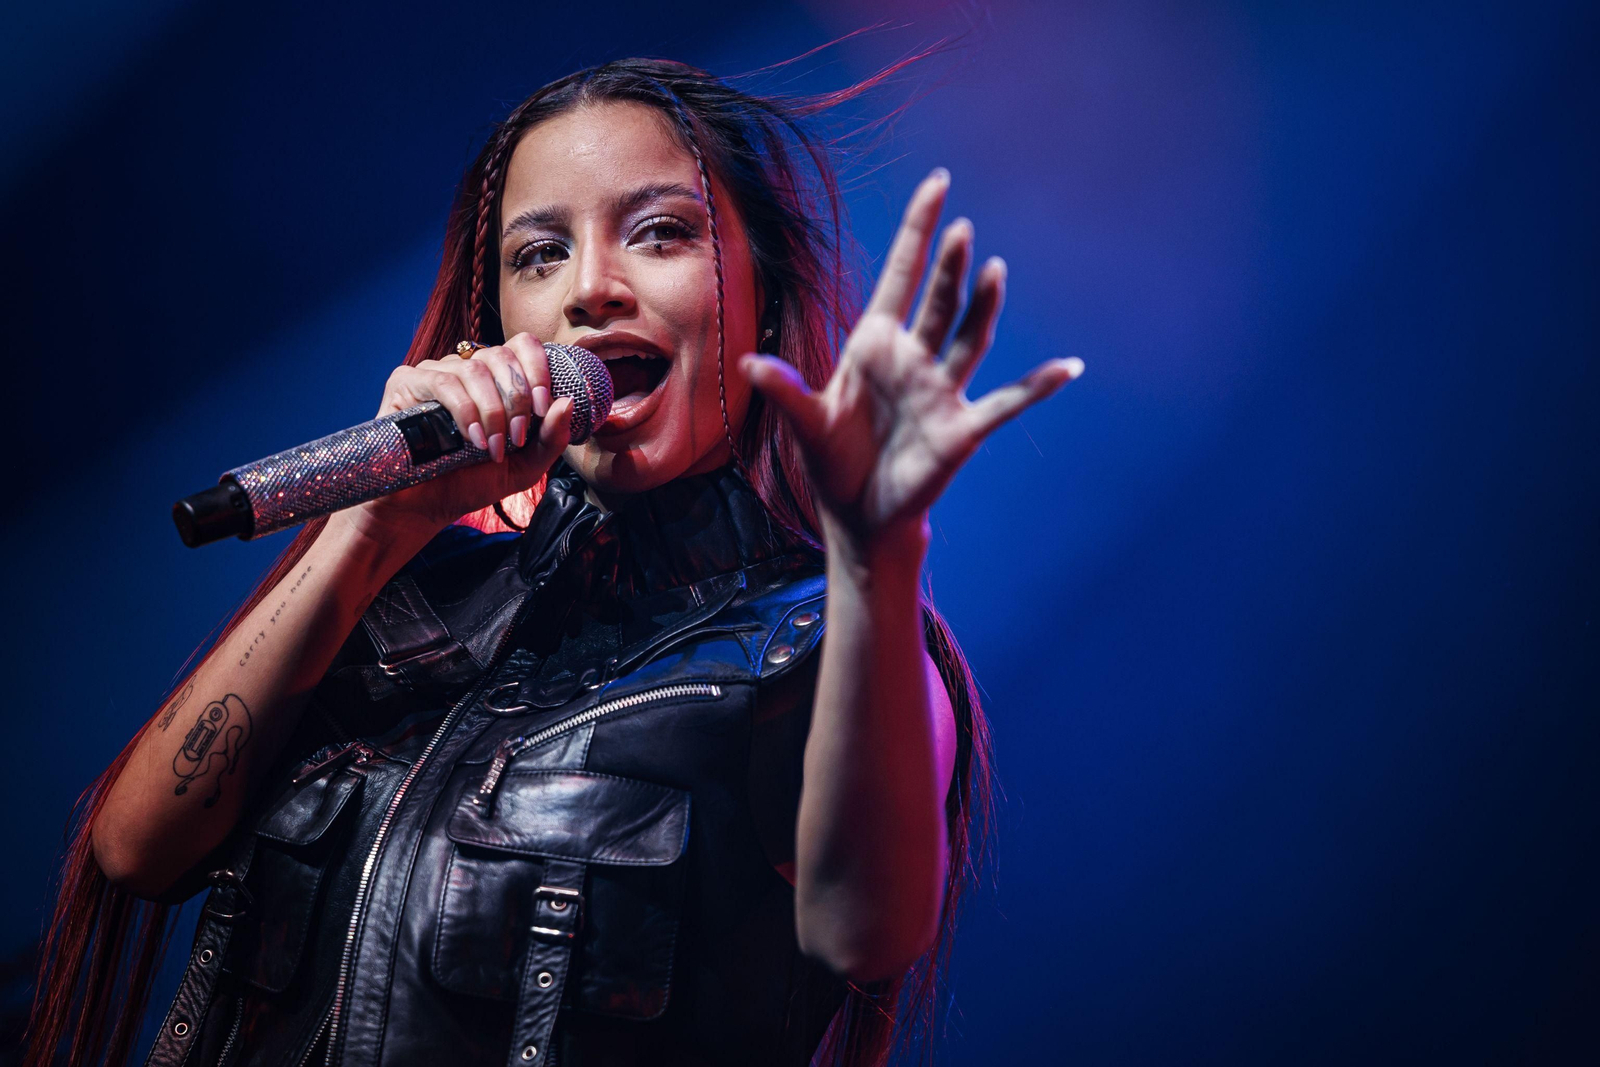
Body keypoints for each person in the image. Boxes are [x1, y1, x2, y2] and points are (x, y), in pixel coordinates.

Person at [26, 58, 1081, 1067]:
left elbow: (870, 929)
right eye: (539, 254)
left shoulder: (814, 643)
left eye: (660, 233)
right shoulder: (408, 597)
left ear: (761, 282)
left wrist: (874, 557)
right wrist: (374, 524)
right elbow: (137, 848)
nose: (590, 289)